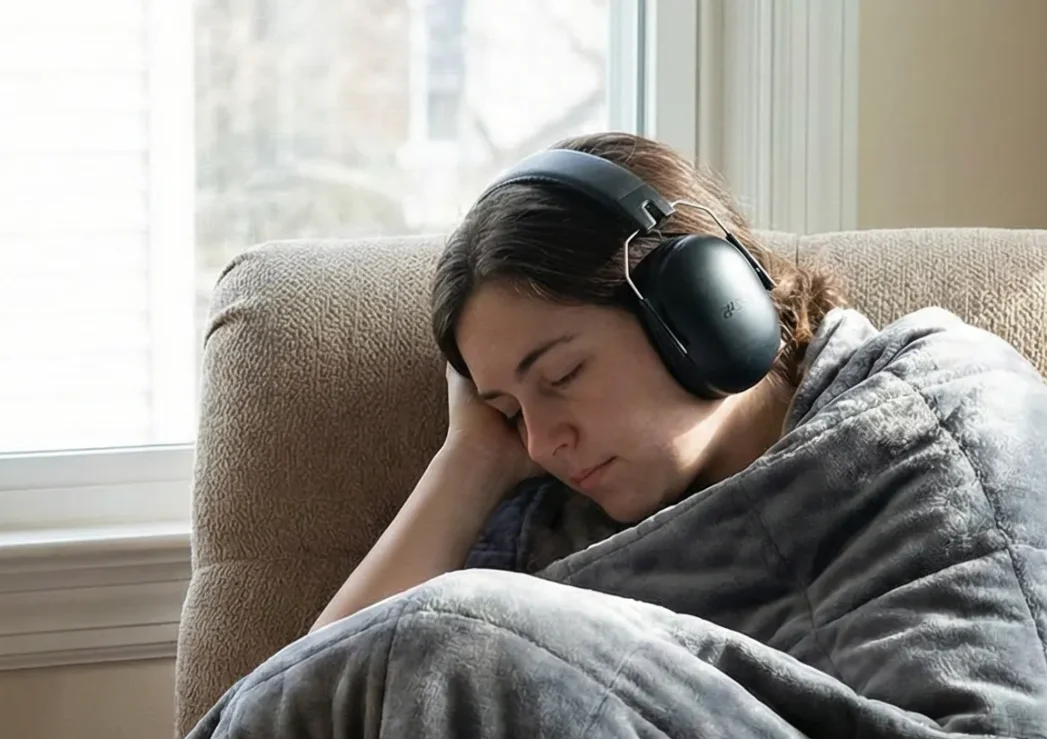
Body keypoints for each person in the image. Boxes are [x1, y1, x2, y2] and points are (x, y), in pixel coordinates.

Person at [310, 131, 841, 632]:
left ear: (704, 303)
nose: (541, 445)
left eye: (562, 375)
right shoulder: (550, 536)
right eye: (510, 412)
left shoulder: (902, 426)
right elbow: (295, 707)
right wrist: (471, 459)